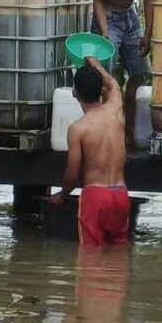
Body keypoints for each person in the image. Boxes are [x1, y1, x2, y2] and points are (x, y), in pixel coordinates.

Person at [91, 0, 162, 148]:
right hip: (108, 17)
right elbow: (98, 0)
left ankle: (129, 134)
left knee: (140, 73)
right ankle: (109, 134)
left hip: (130, 17)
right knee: (107, 78)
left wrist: (148, 32)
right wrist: (104, 34)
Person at [49, 58, 130, 246]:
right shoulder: (116, 111)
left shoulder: (78, 129)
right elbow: (113, 84)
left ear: (74, 92)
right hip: (120, 194)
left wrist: (63, 195)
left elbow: (72, 172)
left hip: (96, 197)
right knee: (118, 256)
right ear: (101, 90)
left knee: (90, 258)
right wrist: (96, 65)